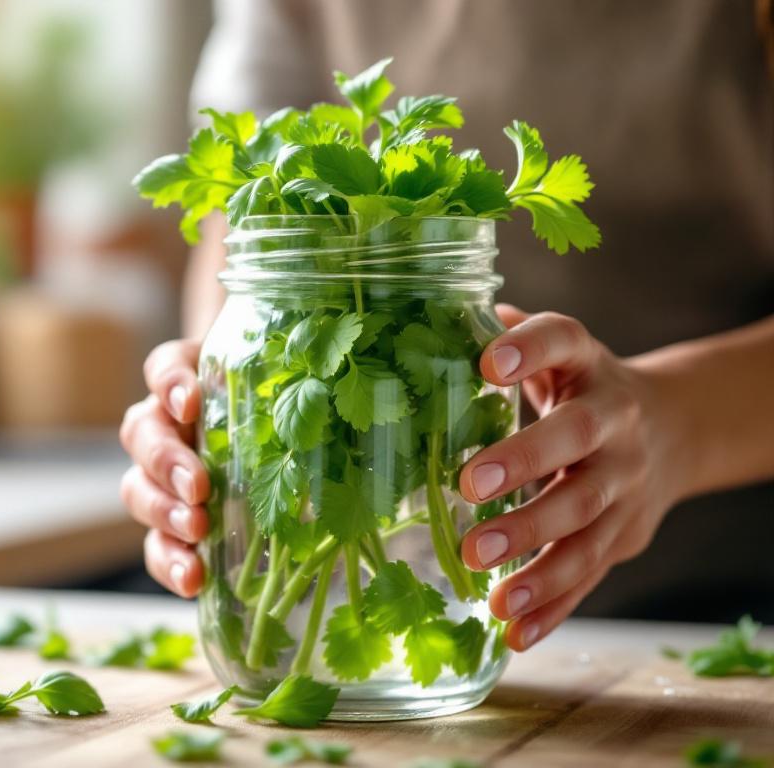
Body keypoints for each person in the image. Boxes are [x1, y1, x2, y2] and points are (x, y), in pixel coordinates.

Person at [119, 0, 774, 652]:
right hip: (355, 588)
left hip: (724, 589)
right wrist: (214, 399)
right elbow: (254, 230)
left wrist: (673, 423)